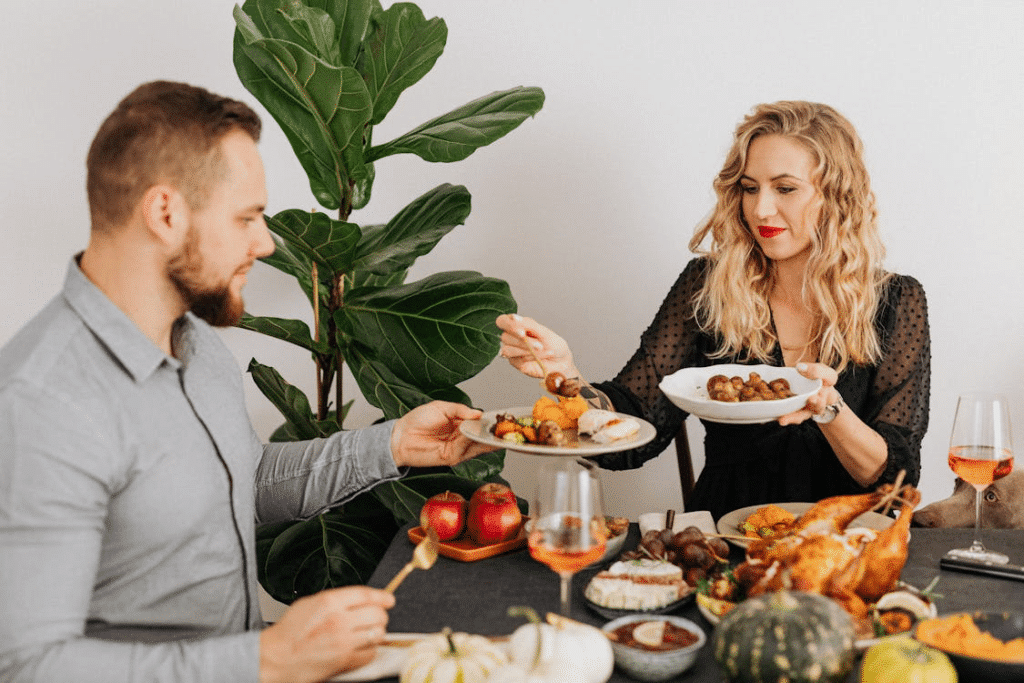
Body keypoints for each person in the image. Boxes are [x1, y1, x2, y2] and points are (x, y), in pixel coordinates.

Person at [0, 81, 495, 683]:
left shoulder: (198, 344)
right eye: (247, 218)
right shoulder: (44, 402)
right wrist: (263, 660)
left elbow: (240, 480)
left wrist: (391, 446)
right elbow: (29, 666)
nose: (265, 243)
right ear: (165, 213)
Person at [497, 101, 930, 521]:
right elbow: (633, 434)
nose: (761, 209)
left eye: (785, 188)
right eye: (749, 187)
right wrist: (567, 377)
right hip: (721, 543)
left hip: (843, 551)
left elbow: (896, 481)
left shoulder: (895, 303)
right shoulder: (708, 287)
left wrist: (829, 410)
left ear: (838, 196)